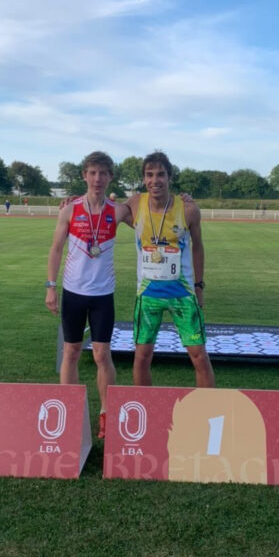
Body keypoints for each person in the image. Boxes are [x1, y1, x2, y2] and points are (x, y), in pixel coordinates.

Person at [45, 151, 127, 439]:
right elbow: (56, 249)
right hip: (73, 292)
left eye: (103, 173)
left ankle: (106, 412)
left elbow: (148, 207)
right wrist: (50, 286)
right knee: (71, 352)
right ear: (84, 175)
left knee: (102, 355)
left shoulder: (118, 211)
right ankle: (68, 412)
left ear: (110, 177)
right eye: (92, 173)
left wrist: (184, 200)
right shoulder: (69, 210)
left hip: (103, 294)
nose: (97, 179)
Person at [124, 151, 214, 388]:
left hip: (182, 295)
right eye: (149, 175)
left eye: (161, 174)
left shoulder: (188, 209)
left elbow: (198, 248)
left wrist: (199, 286)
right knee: (142, 357)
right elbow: (104, 211)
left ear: (170, 177)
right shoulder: (135, 204)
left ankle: (209, 411)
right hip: (148, 295)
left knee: (199, 356)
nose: (155, 180)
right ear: (144, 179)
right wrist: (76, 200)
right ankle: (143, 411)